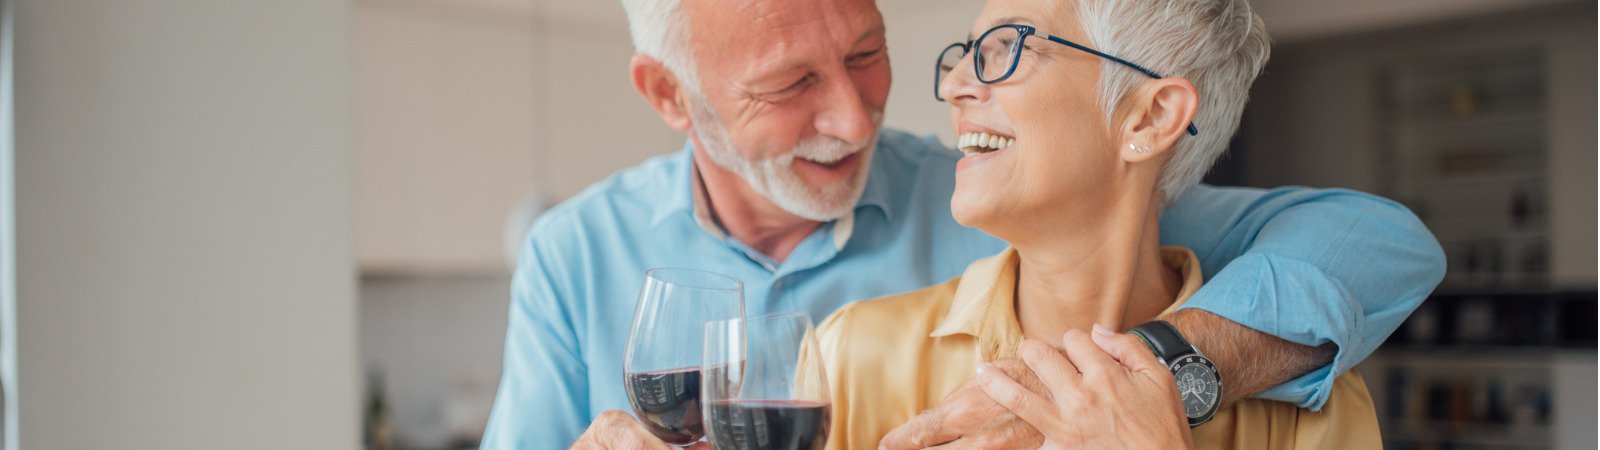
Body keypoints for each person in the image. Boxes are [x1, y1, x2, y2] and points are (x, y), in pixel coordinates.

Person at [480, 0, 1446, 447]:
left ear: (1148, 119)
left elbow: (1380, 243)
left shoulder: (1002, 184)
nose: (864, 119)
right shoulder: (580, 257)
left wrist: (1158, 377)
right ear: (671, 96)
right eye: (789, 85)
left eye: (867, 56)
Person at [815, 0, 1390, 447]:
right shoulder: (848, 355)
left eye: (1007, 46)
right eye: (966, 52)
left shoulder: (1315, 412)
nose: (953, 85)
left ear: (1150, 116)